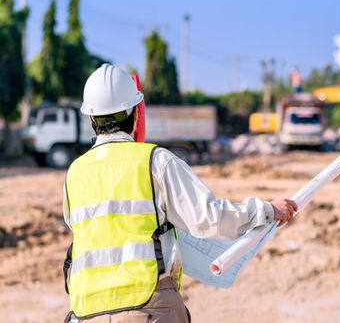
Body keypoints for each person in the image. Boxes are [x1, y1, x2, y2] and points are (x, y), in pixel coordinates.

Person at [62, 64, 297, 322]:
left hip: (86, 313)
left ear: (90, 118)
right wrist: (267, 210)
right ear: (135, 113)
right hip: (148, 307)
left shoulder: (74, 174)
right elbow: (209, 218)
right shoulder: (155, 161)